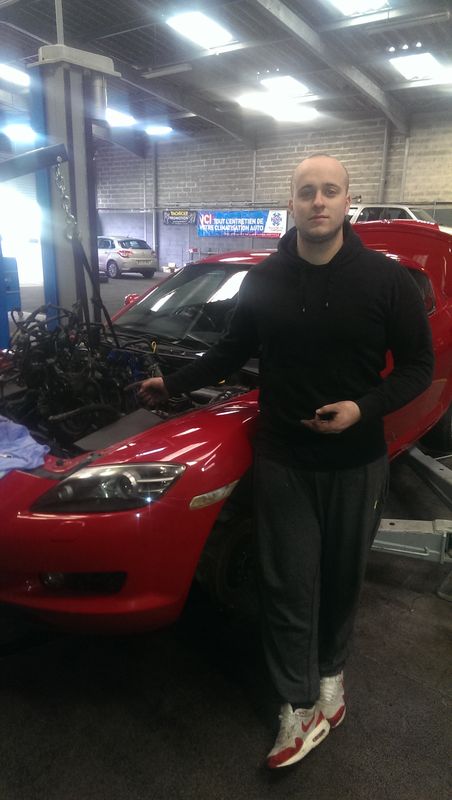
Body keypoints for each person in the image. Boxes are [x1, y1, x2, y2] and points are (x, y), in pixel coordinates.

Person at [139, 154, 434, 769]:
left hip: (356, 461)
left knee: (342, 581)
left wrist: (363, 408)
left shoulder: (385, 280)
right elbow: (232, 349)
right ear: (291, 203)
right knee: (288, 585)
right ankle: (296, 706)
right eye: (306, 192)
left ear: (347, 200)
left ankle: (332, 678)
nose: (317, 202)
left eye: (329, 191)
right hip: (284, 459)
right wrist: (172, 384)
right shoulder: (266, 278)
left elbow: (417, 368)